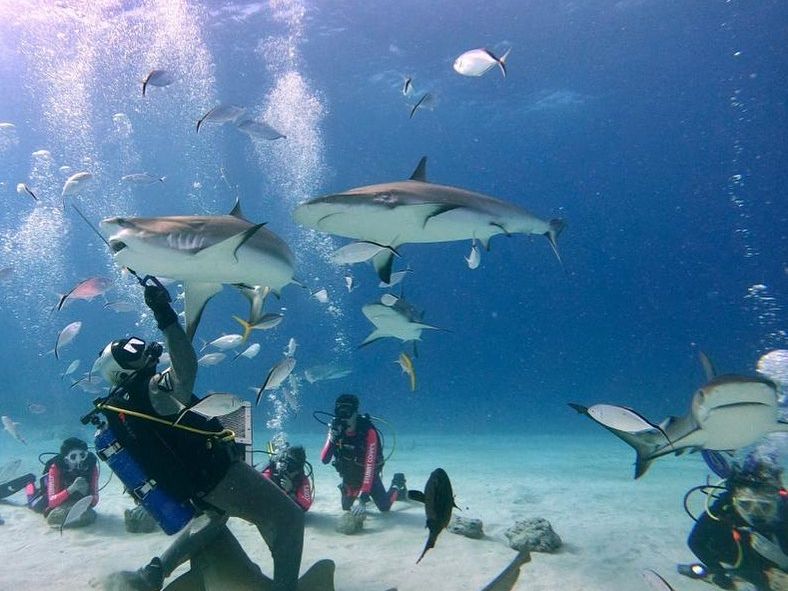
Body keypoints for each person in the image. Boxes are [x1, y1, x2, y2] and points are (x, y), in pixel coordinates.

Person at [92, 281, 304, 591]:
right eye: (130, 351)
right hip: (217, 476)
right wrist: (165, 315)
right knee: (288, 519)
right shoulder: (151, 389)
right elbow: (186, 371)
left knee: (215, 518)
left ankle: (154, 572)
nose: (140, 348)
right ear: (123, 373)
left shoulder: (128, 404)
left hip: (195, 484)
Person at [679, 451, 787, 590]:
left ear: (777, 501)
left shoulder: (785, 510)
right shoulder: (725, 507)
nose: (755, 515)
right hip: (744, 567)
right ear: (735, 498)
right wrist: (718, 572)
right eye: (746, 505)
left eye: (765, 507)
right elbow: (696, 541)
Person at [320, 393, 407, 517]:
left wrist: (363, 497)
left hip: (369, 474)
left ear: (356, 412)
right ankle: (353, 490)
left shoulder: (368, 431)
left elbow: (370, 466)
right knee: (346, 507)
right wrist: (332, 439)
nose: (344, 416)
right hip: (349, 474)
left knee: (384, 507)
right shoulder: (335, 430)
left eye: (347, 412)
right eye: (340, 411)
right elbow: (324, 460)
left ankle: (398, 483)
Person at [24, 436, 99, 528]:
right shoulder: (56, 468)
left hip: (68, 495)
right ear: (66, 458)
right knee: (34, 505)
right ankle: (29, 483)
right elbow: (52, 502)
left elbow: (95, 500)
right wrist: (71, 489)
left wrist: (89, 497)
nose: (79, 460)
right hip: (54, 488)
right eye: (73, 456)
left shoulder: (91, 467)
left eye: (82, 455)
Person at [262, 444, 313, 512]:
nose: (287, 471)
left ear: (298, 470)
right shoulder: (271, 471)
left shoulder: (301, 479)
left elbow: (306, 505)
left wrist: (291, 491)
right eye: (287, 467)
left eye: (292, 468)